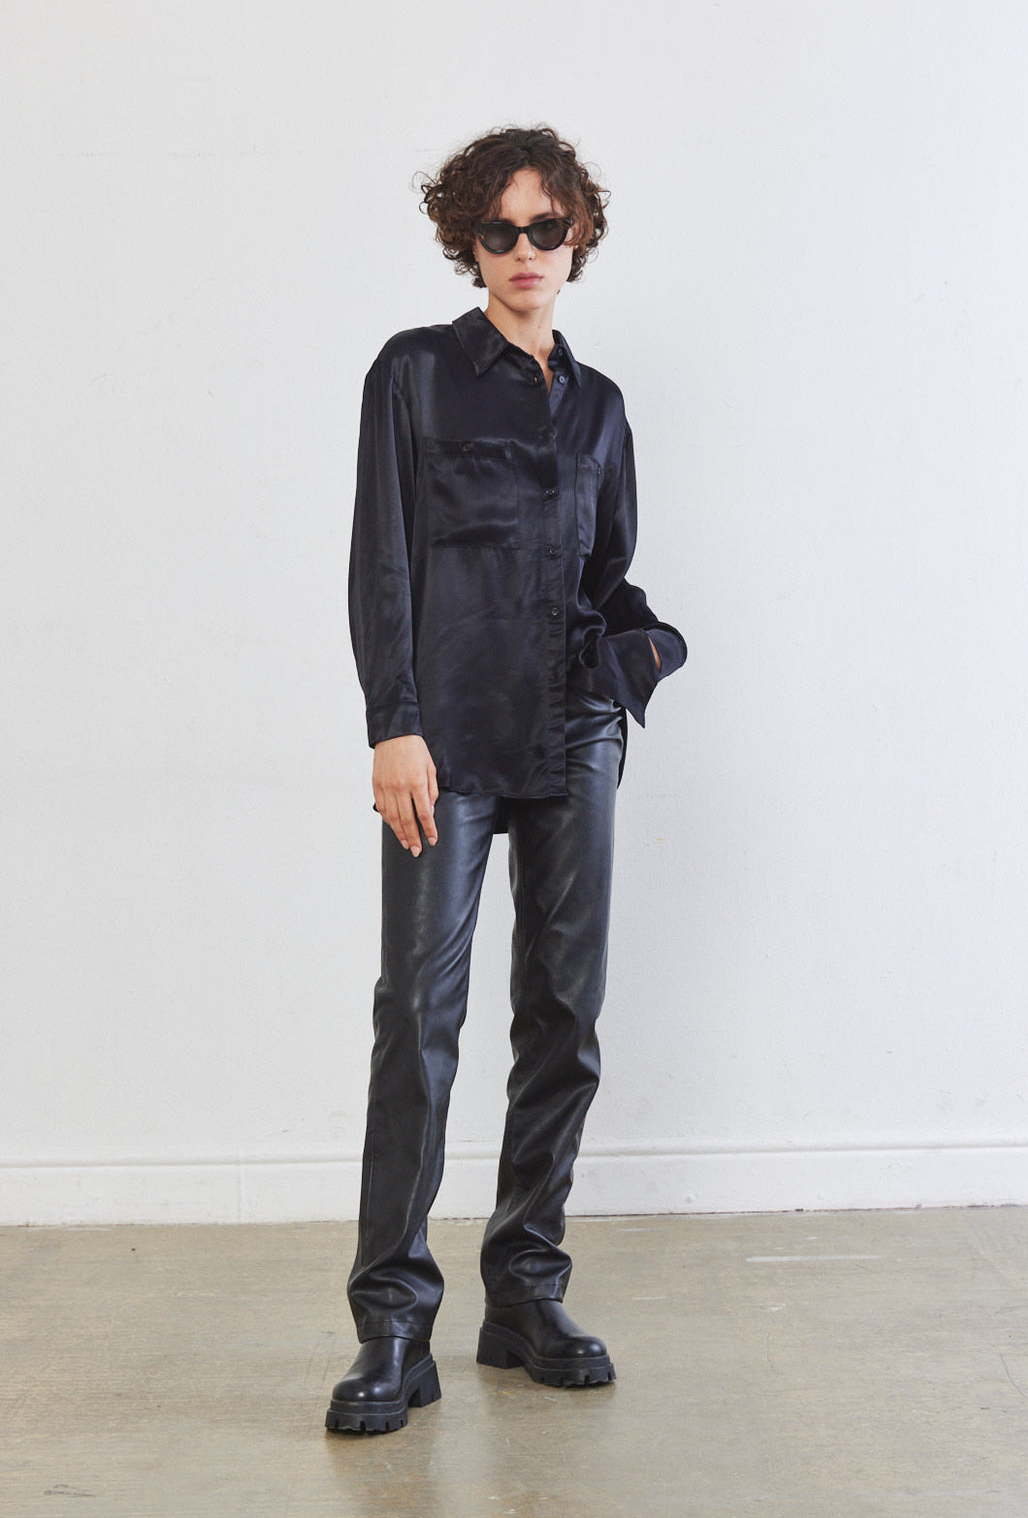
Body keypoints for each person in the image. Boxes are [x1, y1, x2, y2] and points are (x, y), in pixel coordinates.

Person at [326, 125, 687, 1434]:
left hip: (575, 734)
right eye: (500, 231)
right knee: (418, 1020)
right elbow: (382, 563)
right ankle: (392, 1324)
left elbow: (608, 572)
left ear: (578, 235)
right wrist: (394, 725)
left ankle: (526, 1290)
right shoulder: (414, 376)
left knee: (564, 1015)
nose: (526, 251)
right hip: (446, 740)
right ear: (467, 242)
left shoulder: (600, 407)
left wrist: (640, 648)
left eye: (548, 228)